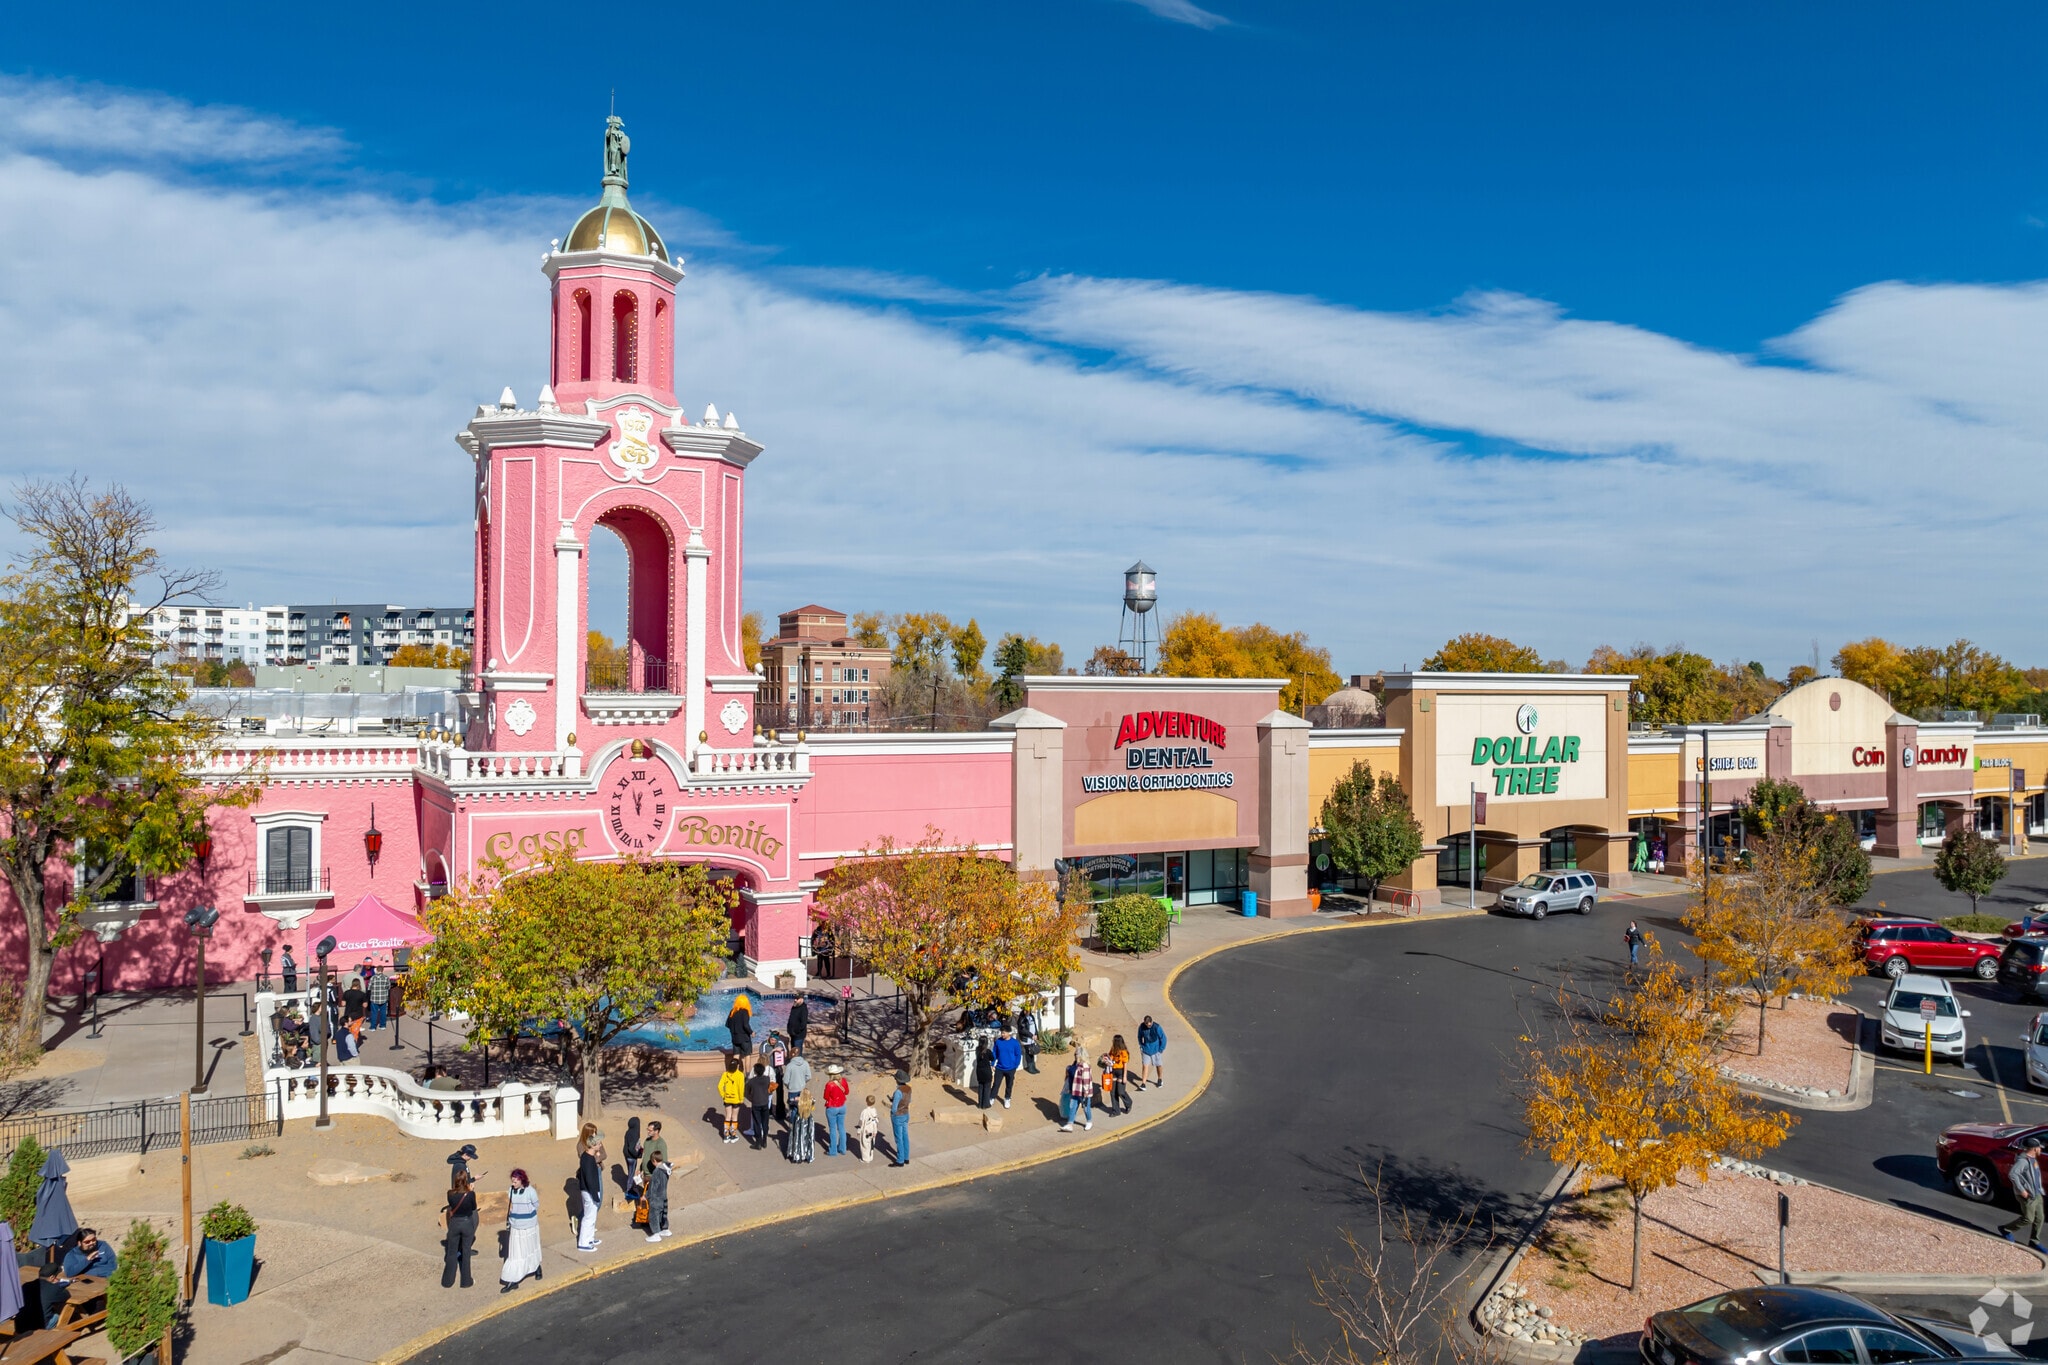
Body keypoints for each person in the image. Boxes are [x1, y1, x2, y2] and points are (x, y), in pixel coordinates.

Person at [501, 1168, 541, 1291]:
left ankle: (537, 1267)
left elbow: (536, 1205)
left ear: (521, 1180)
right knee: (516, 1252)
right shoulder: (511, 1191)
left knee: (531, 1247)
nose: (513, 1184)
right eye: (512, 1181)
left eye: (515, 1182)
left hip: (529, 1225)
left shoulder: (531, 1191)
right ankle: (513, 1279)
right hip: (516, 1226)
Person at [2005, 1137, 2046, 1250]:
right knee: (2028, 1219)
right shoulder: (2023, 1161)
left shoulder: (2033, 1159)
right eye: (2039, 1148)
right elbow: (2013, 1174)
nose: (2040, 1149)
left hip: (2036, 1194)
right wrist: (2022, 1190)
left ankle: (2034, 1241)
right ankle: (2006, 1229)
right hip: (2028, 1195)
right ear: (2034, 1149)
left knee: (2040, 1218)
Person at [442, 1169, 479, 1288]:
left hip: (455, 1223)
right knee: (466, 1252)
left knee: (452, 1252)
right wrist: (471, 1191)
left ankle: (447, 1281)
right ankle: (466, 1281)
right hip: (466, 1222)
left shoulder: (450, 1194)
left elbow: (452, 1205)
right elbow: (473, 1207)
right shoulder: (470, 1194)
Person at [576, 1132, 604, 1251]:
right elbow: (589, 1179)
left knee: (592, 1216)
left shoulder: (587, 1157)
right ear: (593, 1145)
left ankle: (590, 1238)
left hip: (588, 1191)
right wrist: (595, 1195)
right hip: (589, 1192)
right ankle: (584, 1243)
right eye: (599, 1143)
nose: (601, 1145)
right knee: (589, 1217)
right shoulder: (588, 1160)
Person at [1060, 1046, 1094, 1132]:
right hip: (1076, 1091)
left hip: (1083, 1092)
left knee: (1086, 1107)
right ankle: (1070, 1124)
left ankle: (1089, 1121)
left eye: (1076, 1054)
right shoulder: (1077, 1064)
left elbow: (1086, 1080)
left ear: (1080, 1055)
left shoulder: (1084, 1066)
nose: (1074, 1055)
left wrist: (1086, 1092)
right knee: (1073, 1106)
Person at [744, 1062, 776, 1152]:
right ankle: (764, 1140)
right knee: (765, 1122)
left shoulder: (752, 1081)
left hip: (756, 1104)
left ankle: (758, 1142)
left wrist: (751, 1099)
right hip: (765, 1103)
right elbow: (769, 1089)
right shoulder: (767, 1079)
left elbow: (746, 1093)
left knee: (757, 1123)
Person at [643, 1154, 672, 1243]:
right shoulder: (666, 1170)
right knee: (663, 1213)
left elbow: (653, 1187)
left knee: (654, 1215)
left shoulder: (657, 1172)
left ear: (654, 1161)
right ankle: (665, 1229)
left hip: (656, 1197)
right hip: (663, 1195)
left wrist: (645, 1196)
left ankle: (656, 1234)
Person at [990, 1028, 1022, 1109]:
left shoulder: (1015, 1043)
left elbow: (1018, 1055)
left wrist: (1016, 1065)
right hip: (999, 1068)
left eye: (1004, 1033)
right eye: (1001, 1033)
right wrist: (993, 1063)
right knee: (996, 1084)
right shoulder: (998, 1042)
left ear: (1009, 1033)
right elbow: (995, 1053)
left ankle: (1007, 1098)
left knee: (1009, 1085)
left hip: (1011, 1069)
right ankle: (992, 1097)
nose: (1002, 1034)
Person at [782, 1046, 812, 1132]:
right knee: (802, 1108)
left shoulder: (789, 1066)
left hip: (792, 1090)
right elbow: (809, 1076)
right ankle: (802, 1127)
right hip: (802, 1089)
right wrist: (803, 1082)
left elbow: (786, 1080)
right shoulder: (805, 1063)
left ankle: (793, 1127)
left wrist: (789, 1085)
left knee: (793, 1109)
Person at [823, 1064, 851, 1156]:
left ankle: (833, 1151)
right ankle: (843, 1148)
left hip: (832, 1107)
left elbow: (825, 1096)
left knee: (833, 1129)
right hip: (842, 1106)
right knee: (842, 1128)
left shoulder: (829, 1084)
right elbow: (846, 1092)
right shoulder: (843, 1081)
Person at [717, 1056, 745, 1144]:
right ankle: (733, 1135)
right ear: (738, 1066)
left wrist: (723, 1095)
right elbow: (741, 1088)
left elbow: (719, 1086)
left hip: (727, 1098)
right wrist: (741, 1098)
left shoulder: (725, 1074)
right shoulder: (740, 1075)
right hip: (736, 1099)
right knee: (734, 1116)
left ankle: (726, 1135)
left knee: (728, 1115)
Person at [889, 1070, 913, 1167]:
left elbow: (894, 1108)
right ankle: (906, 1157)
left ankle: (900, 1160)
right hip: (906, 1114)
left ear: (897, 1080)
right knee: (905, 1136)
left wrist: (892, 1113)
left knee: (898, 1138)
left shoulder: (898, 1092)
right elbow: (909, 1100)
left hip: (898, 1116)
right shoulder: (909, 1089)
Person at [766, 1031, 791, 1124]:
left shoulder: (780, 1043)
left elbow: (785, 1053)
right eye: (772, 1039)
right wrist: (773, 1050)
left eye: (774, 1040)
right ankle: (769, 1111)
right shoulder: (764, 1045)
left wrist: (782, 1053)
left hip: (778, 1069)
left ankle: (780, 1112)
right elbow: (763, 1056)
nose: (773, 1041)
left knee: (780, 1090)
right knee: (769, 1090)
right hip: (769, 1070)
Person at [1104, 1035, 1132, 1115]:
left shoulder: (1123, 1052)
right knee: (1113, 1092)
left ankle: (1128, 1103)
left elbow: (1125, 1064)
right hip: (1113, 1071)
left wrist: (1124, 1076)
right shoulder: (1113, 1049)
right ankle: (1116, 1110)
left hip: (1121, 1072)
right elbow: (1109, 1058)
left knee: (1120, 1091)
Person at [788, 1085, 817, 1164]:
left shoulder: (797, 1102)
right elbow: (814, 1100)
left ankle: (798, 1154)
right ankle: (808, 1154)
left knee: (798, 1137)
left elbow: (789, 1101)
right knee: (808, 1137)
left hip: (799, 1120)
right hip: (808, 1120)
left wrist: (796, 1098)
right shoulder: (811, 1101)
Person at [1137, 1015, 1166, 1090]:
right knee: (1145, 1066)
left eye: (1149, 1024)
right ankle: (1143, 1083)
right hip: (1146, 1050)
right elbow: (1139, 1036)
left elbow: (1163, 1038)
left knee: (1158, 1065)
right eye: (1146, 1024)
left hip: (1156, 1050)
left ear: (1151, 1022)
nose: (1148, 1026)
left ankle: (1160, 1079)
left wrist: (1161, 1049)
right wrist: (1141, 1045)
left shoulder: (1157, 1027)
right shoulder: (1142, 1027)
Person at [621, 1117, 644, 1201]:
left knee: (630, 1172)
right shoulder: (635, 1133)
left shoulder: (628, 1132)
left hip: (627, 1155)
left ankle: (632, 1188)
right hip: (631, 1157)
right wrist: (638, 1154)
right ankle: (629, 1193)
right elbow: (632, 1148)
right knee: (631, 1174)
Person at [726, 994, 754, 1059]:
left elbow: (728, 1024)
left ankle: (735, 1069)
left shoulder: (732, 1011)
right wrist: (751, 1032)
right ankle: (747, 1069)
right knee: (747, 1055)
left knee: (736, 1054)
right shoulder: (745, 1012)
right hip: (744, 1038)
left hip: (735, 1038)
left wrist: (734, 1031)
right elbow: (745, 1025)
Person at [973, 1036, 997, 1110]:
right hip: (986, 1071)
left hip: (979, 1071)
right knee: (987, 1088)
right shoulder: (988, 1051)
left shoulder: (977, 1050)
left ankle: (980, 1103)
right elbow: (993, 1058)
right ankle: (986, 1104)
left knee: (980, 1087)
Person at [1015, 1003, 1040, 1074]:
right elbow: (1022, 1030)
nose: (1027, 1012)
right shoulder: (1022, 1019)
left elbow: (1035, 1026)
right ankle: (1030, 1067)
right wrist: (1031, 1035)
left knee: (1032, 1052)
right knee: (1028, 1053)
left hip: (1032, 1038)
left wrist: (1036, 1034)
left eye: (1028, 1010)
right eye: (1025, 1010)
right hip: (1026, 1039)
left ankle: (1033, 1066)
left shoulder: (1031, 1017)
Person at [367, 964, 391, 1030]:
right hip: (383, 998)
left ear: (377, 970)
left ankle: (373, 1027)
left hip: (374, 998)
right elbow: (388, 987)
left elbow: (369, 988)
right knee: (383, 1012)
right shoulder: (386, 977)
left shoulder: (372, 978)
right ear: (382, 970)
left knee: (374, 1013)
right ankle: (382, 1025)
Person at [857, 1094, 880, 1163]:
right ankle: (870, 1156)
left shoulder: (864, 1112)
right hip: (872, 1130)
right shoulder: (874, 1111)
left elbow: (860, 1122)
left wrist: (858, 1130)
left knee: (864, 1144)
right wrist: (875, 1131)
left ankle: (865, 1159)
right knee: (871, 1143)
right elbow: (876, 1121)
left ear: (866, 1101)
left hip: (865, 1130)